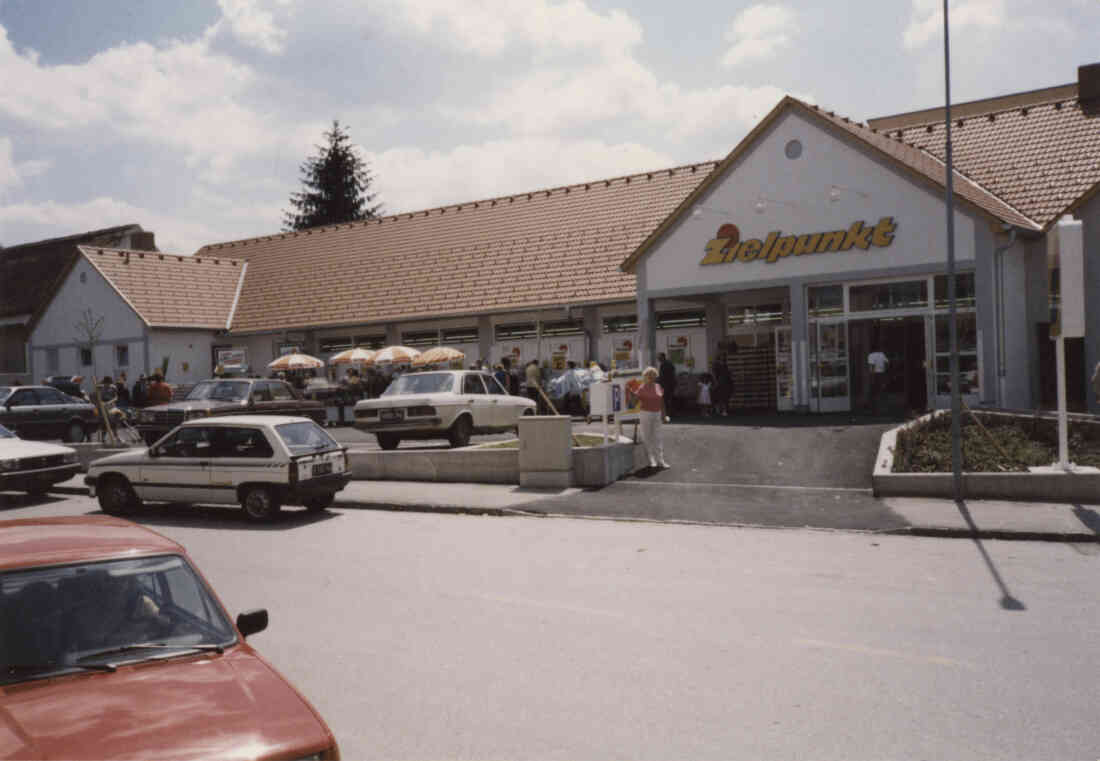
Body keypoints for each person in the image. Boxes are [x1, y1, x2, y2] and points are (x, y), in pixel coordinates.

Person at [633, 366, 669, 469]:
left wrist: (664, 414)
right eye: (649, 375)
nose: (652, 377)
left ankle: (660, 460)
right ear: (646, 376)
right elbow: (634, 401)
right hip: (645, 413)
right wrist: (632, 395)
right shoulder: (642, 387)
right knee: (647, 437)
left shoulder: (658, 386)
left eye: (653, 375)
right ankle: (651, 460)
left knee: (658, 437)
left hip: (657, 413)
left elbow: (662, 402)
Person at [867, 344, 889, 415]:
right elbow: (887, 363)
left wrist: (871, 377)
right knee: (882, 391)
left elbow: (872, 366)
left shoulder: (871, 355)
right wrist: (884, 370)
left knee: (873, 393)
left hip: (875, 375)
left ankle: (875, 410)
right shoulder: (882, 354)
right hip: (882, 374)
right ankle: (883, 409)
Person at [712, 352, 732, 417]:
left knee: (725, 397)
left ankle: (724, 410)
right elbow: (714, 374)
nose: (723, 357)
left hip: (726, 383)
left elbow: (728, 374)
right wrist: (716, 381)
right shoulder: (716, 364)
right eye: (722, 356)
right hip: (720, 382)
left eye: (724, 356)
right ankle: (719, 410)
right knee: (718, 397)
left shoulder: (725, 365)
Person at [658, 353, 677, 419]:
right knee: (670, 399)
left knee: (665, 400)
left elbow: (662, 376)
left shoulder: (664, 365)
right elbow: (673, 373)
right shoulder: (669, 363)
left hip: (666, 385)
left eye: (659, 357)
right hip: (670, 384)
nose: (658, 359)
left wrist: (658, 381)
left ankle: (667, 414)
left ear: (663, 357)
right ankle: (670, 413)